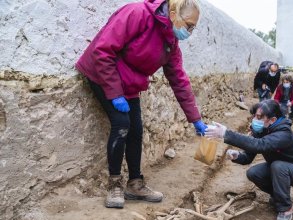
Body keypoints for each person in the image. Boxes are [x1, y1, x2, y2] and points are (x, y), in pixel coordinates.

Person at [75, 0, 207, 209]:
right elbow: (102, 50)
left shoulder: (171, 41)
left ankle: (135, 184)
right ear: (173, 12)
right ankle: (114, 185)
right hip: (102, 72)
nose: (190, 31)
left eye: (193, 27)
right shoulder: (137, 13)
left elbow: (179, 79)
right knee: (122, 124)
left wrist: (196, 119)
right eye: (189, 24)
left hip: (129, 81)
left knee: (136, 129)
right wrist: (115, 93)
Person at [204, 100, 293, 220]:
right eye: (255, 116)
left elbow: (259, 145)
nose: (255, 120)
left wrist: (225, 133)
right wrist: (238, 156)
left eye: (259, 117)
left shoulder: (284, 134)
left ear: (272, 120)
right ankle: (279, 196)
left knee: (279, 166)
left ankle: (286, 208)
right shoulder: (262, 130)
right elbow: (249, 156)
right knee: (253, 172)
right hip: (278, 168)